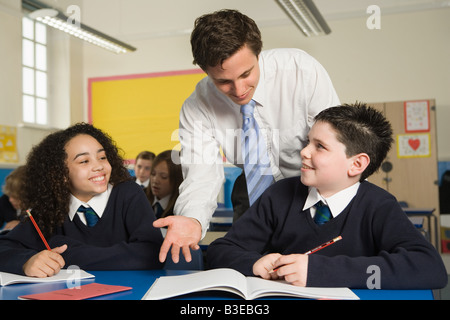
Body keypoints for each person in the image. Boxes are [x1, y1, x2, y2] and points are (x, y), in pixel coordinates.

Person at [153, 9, 340, 263]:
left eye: (246, 74)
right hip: (252, 190)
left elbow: (335, 145)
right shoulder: (197, 107)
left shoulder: (300, 70)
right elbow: (202, 174)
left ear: (258, 53)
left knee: (317, 263)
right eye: (223, 81)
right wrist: (193, 219)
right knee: (248, 264)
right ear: (205, 70)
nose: (239, 90)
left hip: (313, 184)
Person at [206, 103, 448, 289]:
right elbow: (220, 251)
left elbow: (429, 268)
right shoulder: (280, 194)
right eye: (307, 142)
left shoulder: (378, 206)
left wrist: (318, 271)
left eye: (319, 146)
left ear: (356, 164)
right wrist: (254, 264)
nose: (304, 152)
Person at [0, 123, 163, 277]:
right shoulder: (50, 206)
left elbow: (152, 254)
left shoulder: (129, 193)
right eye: (84, 161)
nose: (99, 166)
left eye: (102, 157)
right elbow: (4, 247)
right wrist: (26, 261)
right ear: (60, 173)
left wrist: (67, 252)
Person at [146, 150, 183, 219]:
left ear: (177, 180)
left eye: (163, 177)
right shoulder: (140, 196)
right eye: (153, 174)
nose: (155, 180)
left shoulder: (182, 208)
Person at [0, 166, 26, 232]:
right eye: (9, 195)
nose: (10, 200)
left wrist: (22, 224)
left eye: (16, 197)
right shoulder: (5, 200)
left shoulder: (40, 209)